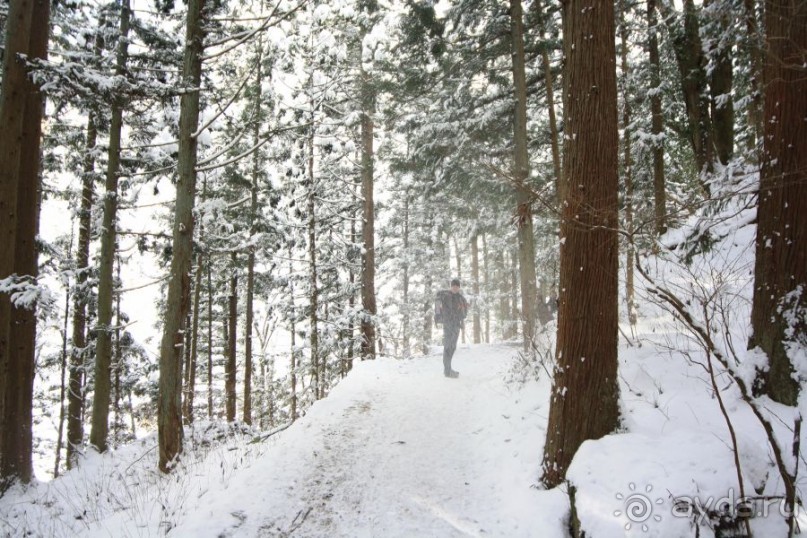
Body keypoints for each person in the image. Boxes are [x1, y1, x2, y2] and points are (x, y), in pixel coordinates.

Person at [435, 278, 468, 378]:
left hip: (456, 325)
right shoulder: (444, 295)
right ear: (451, 286)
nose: (455, 288)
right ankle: (447, 371)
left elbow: (465, 313)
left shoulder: (461, 298)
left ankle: (449, 369)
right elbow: (437, 304)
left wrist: (460, 315)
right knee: (448, 347)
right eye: (453, 286)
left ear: (459, 287)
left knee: (453, 347)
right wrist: (438, 316)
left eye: (457, 286)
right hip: (448, 324)